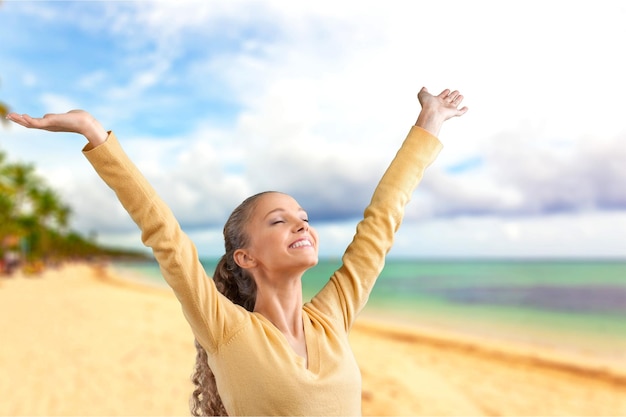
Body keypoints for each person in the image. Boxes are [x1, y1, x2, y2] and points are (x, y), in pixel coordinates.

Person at [7, 86, 467, 416]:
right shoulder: (227, 330)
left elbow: (380, 225)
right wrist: (93, 132)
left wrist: (429, 123)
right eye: (278, 220)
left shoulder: (332, 318)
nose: (301, 223)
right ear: (244, 257)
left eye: (302, 215)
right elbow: (163, 233)